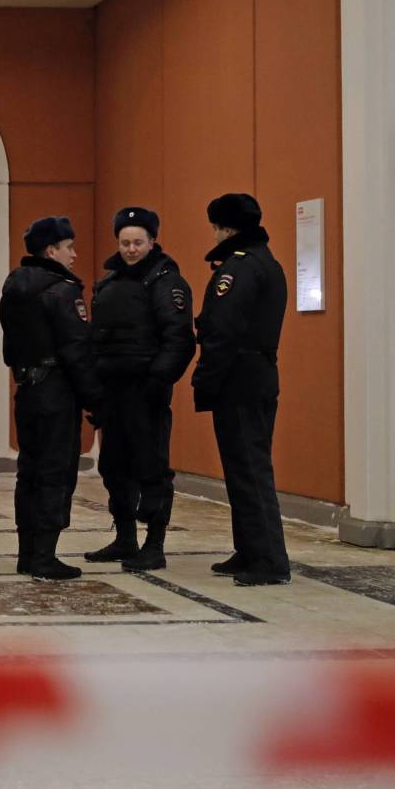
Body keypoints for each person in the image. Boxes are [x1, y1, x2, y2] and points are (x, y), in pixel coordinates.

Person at [84, 207, 195, 571]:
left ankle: (154, 544)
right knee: (114, 467)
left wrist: (158, 381)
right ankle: (126, 538)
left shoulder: (166, 282)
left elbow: (179, 339)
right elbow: (95, 338)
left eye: (138, 242)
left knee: (152, 469)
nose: (131, 249)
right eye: (125, 242)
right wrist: (94, 387)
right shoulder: (108, 283)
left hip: (146, 391)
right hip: (112, 391)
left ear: (152, 242)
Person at [193, 193, 291, 586]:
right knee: (243, 468)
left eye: (216, 227)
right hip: (258, 374)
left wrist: (205, 379)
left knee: (249, 470)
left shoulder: (239, 268)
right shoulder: (268, 263)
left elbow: (223, 331)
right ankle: (250, 549)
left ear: (227, 228)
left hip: (239, 379)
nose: (214, 235)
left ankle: (268, 560)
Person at [0, 216, 104, 581]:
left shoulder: (14, 288)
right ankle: (45, 556)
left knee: (28, 472)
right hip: (57, 392)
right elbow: (76, 350)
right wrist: (96, 400)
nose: (74, 255)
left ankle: (27, 553)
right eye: (68, 247)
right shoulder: (62, 291)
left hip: (27, 389)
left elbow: (10, 348)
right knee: (55, 473)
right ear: (50, 251)